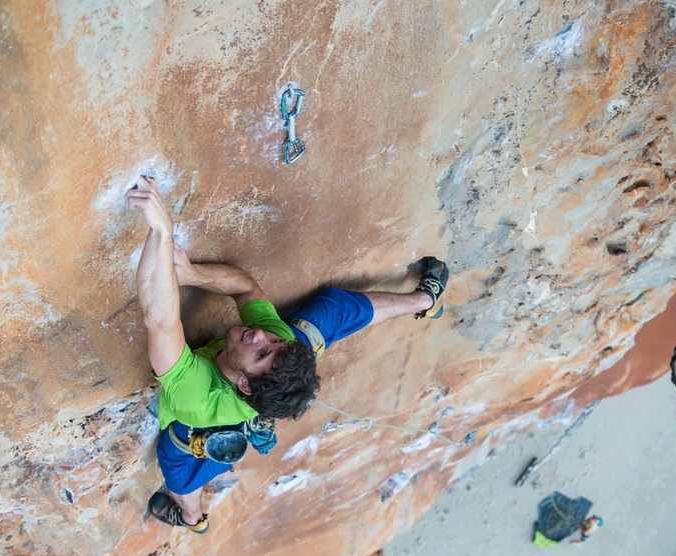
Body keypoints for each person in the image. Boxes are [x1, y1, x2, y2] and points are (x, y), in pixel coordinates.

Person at [126, 176, 449, 533]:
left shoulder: (198, 396)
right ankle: (425, 301)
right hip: (270, 380)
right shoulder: (279, 343)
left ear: (245, 385)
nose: (262, 334)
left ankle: (192, 518)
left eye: (262, 351)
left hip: (203, 419)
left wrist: (162, 232)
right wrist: (191, 274)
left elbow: (160, 320)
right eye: (274, 343)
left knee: (177, 465)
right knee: (334, 310)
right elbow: (248, 289)